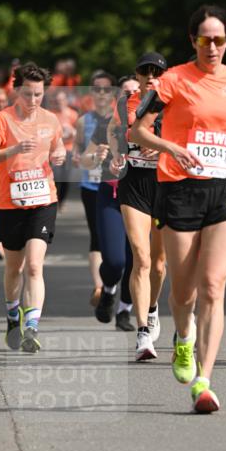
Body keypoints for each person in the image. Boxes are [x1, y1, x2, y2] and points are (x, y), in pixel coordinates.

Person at [131, 3, 226, 412]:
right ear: (193, 41)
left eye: (220, 39)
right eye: (205, 39)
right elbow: (138, 130)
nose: (213, 46)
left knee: (213, 286)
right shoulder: (172, 81)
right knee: (182, 292)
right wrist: (171, 147)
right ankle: (182, 339)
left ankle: (204, 381)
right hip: (180, 190)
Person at [0, 62, 66, 352]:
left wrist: (59, 154)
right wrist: (14, 149)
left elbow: (59, 147)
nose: (33, 100)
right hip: (9, 203)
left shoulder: (50, 120)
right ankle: (11, 314)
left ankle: (31, 325)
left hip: (43, 201)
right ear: (17, 91)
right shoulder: (4, 119)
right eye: (28, 94)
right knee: (13, 267)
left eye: (38, 95)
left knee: (33, 264)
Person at [109, 53, 167, 361]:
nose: (150, 76)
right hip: (134, 183)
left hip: (165, 183)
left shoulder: (174, 104)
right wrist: (118, 151)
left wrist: (157, 140)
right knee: (141, 258)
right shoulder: (126, 104)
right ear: (137, 75)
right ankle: (143, 332)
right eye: (145, 71)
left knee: (158, 264)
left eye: (157, 71)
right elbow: (115, 133)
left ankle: (153, 308)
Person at [75, 71, 134, 330]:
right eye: (126, 93)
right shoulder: (107, 124)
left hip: (144, 198)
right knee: (115, 260)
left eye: (136, 93)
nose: (132, 97)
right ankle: (108, 290)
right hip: (110, 194)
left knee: (137, 260)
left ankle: (126, 311)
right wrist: (96, 157)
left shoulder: (159, 122)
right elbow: (85, 159)